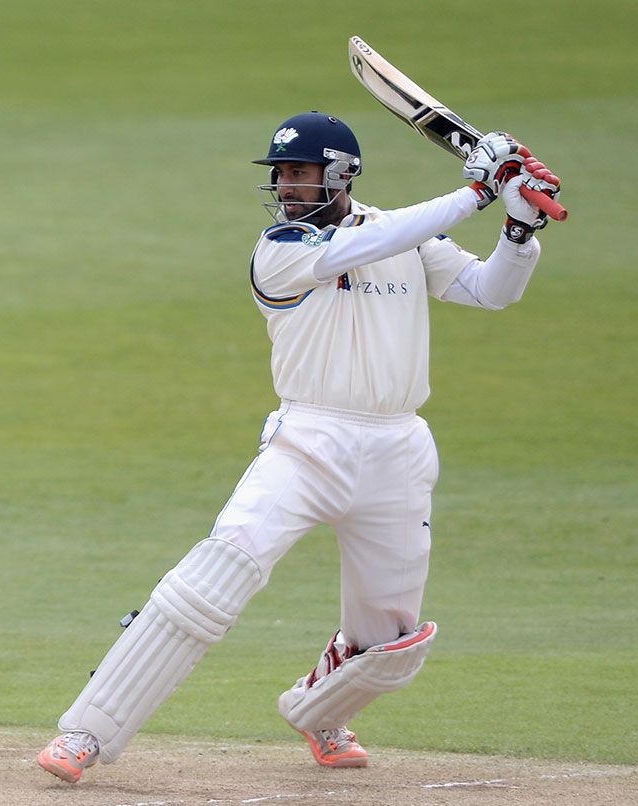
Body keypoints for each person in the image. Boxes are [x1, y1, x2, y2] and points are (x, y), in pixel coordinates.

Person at [38, 111, 561, 783]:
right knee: (210, 583)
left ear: (340, 174)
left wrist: (518, 227)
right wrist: (478, 193)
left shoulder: (403, 235)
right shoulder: (280, 249)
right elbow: (367, 245)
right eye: (281, 173)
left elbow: (493, 291)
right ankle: (86, 732)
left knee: (393, 643)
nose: (286, 185)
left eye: (300, 172)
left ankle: (320, 711)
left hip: (398, 451)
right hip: (308, 443)